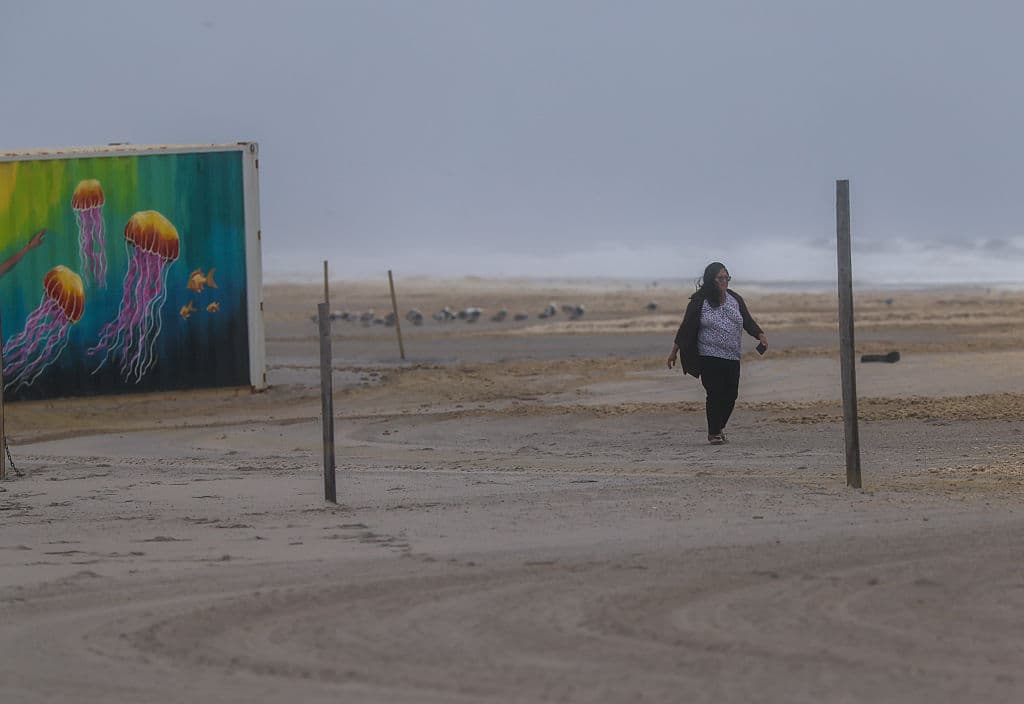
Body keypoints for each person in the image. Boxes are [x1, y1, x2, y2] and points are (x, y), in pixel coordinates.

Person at [666, 262, 767, 445]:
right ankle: (713, 433)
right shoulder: (700, 301)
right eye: (720, 278)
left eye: (727, 277)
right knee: (714, 393)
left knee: (731, 395)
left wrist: (760, 335)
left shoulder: (735, 299)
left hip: (732, 356)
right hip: (708, 355)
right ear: (711, 280)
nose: (724, 281)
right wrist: (674, 352)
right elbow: (686, 328)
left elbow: (747, 321)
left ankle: (718, 427)